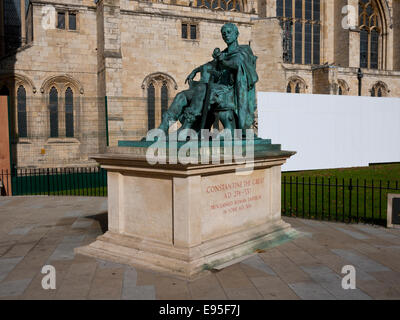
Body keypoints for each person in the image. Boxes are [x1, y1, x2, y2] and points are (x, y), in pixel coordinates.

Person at [158, 48, 221, 134]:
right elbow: (201, 67)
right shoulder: (209, 64)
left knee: (200, 90)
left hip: (214, 90)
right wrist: (194, 71)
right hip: (200, 88)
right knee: (181, 96)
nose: (216, 55)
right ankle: (164, 126)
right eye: (215, 53)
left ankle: (188, 125)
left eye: (218, 53)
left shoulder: (224, 64)